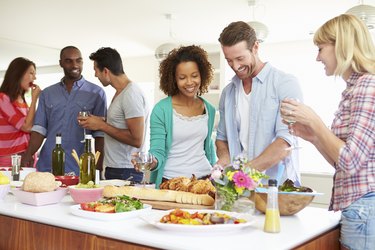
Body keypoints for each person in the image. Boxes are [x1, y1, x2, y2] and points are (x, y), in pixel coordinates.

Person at [280, 14, 375, 250]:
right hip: (361, 208)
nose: (318, 57)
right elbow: (342, 163)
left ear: (340, 45)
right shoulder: (354, 89)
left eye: (321, 48)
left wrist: (315, 121)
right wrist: (313, 136)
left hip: (365, 209)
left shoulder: (367, 86)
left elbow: (350, 161)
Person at [216, 21, 303, 185]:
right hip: (238, 190)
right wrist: (224, 158)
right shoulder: (228, 93)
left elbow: (285, 142)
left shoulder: (285, 84)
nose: (235, 66)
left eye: (240, 58)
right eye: (229, 60)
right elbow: (221, 138)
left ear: (255, 47)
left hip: (274, 189)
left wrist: (242, 175)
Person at [21, 46, 107, 175]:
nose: (74, 65)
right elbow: (39, 130)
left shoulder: (97, 93)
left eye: (78, 60)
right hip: (47, 165)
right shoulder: (47, 94)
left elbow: (100, 135)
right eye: (69, 61)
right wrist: (28, 154)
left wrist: (98, 167)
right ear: (60, 63)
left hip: (80, 167)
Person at [144, 45, 217, 188]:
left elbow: (208, 148)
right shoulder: (161, 110)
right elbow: (157, 150)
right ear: (173, 80)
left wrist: (217, 173)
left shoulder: (209, 109)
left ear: (202, 75)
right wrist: (150, 162)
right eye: (182, 77)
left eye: (194, 76)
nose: (190, 82)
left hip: (204, 181)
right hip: (171, 182)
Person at [80, 47, 149, 181]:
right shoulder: (121, 92)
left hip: (125, 170)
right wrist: (100, 121)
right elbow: (122, 122)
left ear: (105, 71)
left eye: (96, 70)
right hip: (117, 168)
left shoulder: (131, 94)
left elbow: (136, 139)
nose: (95, 75)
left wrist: (101, 125)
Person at [0, 57, 41, 167]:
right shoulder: (2, 99)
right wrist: (34, 100)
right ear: (18, 74)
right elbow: (26, 127)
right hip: (10, 159)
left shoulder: (22, 100)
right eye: (31, 73)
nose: (35, 77)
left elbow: (32, 126)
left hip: (25, 157)